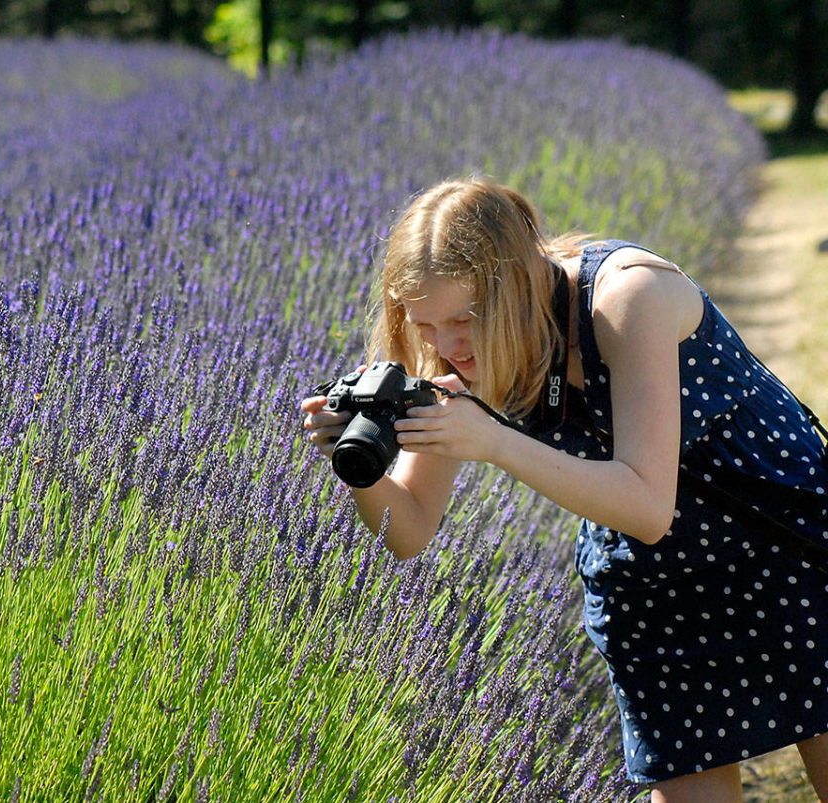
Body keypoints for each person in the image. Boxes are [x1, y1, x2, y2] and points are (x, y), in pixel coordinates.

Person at [300, 177, 828, 803]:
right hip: (650, 583)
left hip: (787, 549)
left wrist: (494, 442)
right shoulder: (448, 348)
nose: (444, 348)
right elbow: (410, 528)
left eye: (464, 320)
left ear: (518, 287)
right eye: (424, 324)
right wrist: (354, 465)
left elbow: (647, 503)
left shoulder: (629, 297)